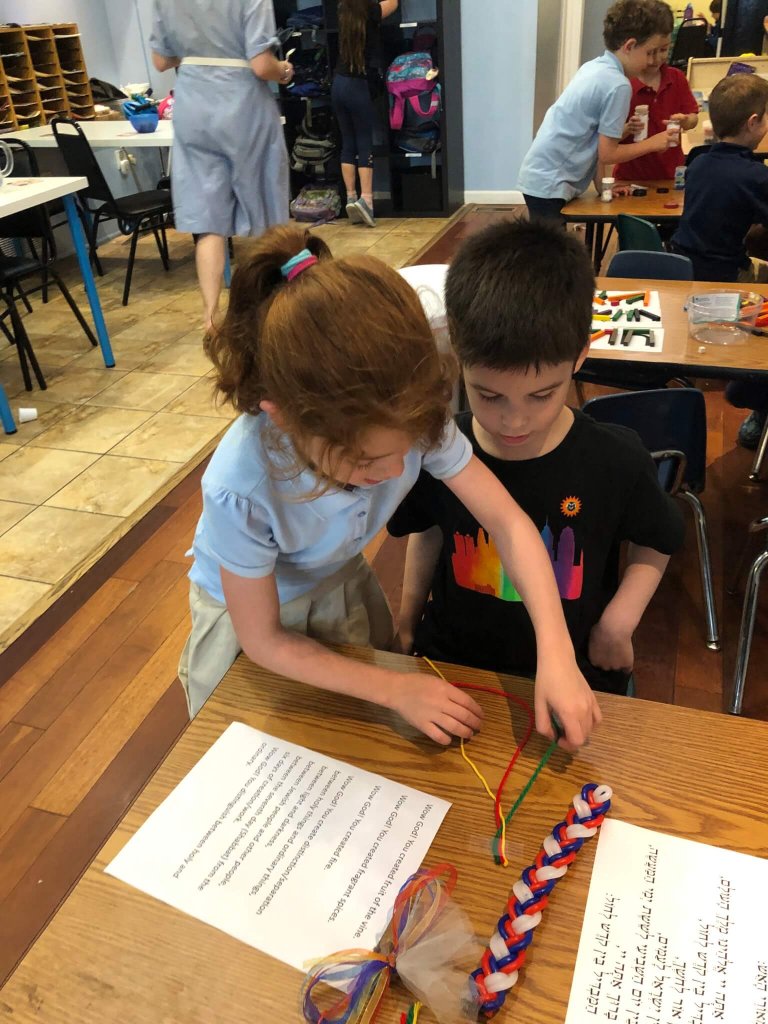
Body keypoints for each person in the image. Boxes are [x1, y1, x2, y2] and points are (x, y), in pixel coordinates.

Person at [180, 223, 602, 749]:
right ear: (283, 418)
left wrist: (557, 653)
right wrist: (395, 688)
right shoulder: (240, 485)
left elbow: (508, 522)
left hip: (337, 579)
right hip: (249, 620)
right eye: (363, 462)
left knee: (361, 748)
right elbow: (263, 639)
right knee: (268, 750)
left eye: (404, 451)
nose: (389, 472)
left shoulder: (411, 415)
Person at [388, 219, 684, 697]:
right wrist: (406, 620)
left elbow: (659, 539)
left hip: (574, 672)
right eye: (488, 396)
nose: (514, 422)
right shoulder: (443, 452)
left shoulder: (615, 457)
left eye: (541, 396)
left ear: (580, 356)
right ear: (457, 355)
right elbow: (427, 532)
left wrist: (617, 624)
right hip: (454, 667)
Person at [149, 0, 294, 331]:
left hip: (192, 104)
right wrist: (283, 71)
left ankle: (211, 317)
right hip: (241, 104)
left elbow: (160, 60)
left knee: (208, 220)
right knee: (266, 213)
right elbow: (261, 65)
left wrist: (196, 47)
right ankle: (272, 312)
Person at [517, 0, 672, 222]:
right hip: (549, 181)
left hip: (541, 176)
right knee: (550, 254)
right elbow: (608, 154)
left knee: (549, 251)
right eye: (651, 52)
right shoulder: (618, 85)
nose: (655, 61)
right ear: (629, 46)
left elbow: (595, 141)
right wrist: (653, 143)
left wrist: (602, 186)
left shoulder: (595, 67)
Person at [670, 73, 768, 281]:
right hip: (726, 277)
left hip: (683, 271)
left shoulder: (697, 162)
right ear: (753, 122)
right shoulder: (756, 176)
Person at [615, 2, 699, 182]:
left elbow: (693, 118)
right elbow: (607, 142)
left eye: (664, 50)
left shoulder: (676, 78)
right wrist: (628, 129)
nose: (657, 58)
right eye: (651, 52)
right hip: (629, 178)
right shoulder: (623, 84)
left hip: (670, 176)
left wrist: (686, 121)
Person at [332, 0, 398, 226]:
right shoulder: (370, 9)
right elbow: (394, 3)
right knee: (364, 142)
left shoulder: (343, 7)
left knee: (347, 142)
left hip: (338, 83)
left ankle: (350, 197)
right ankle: (367, 201)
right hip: (357, 85)